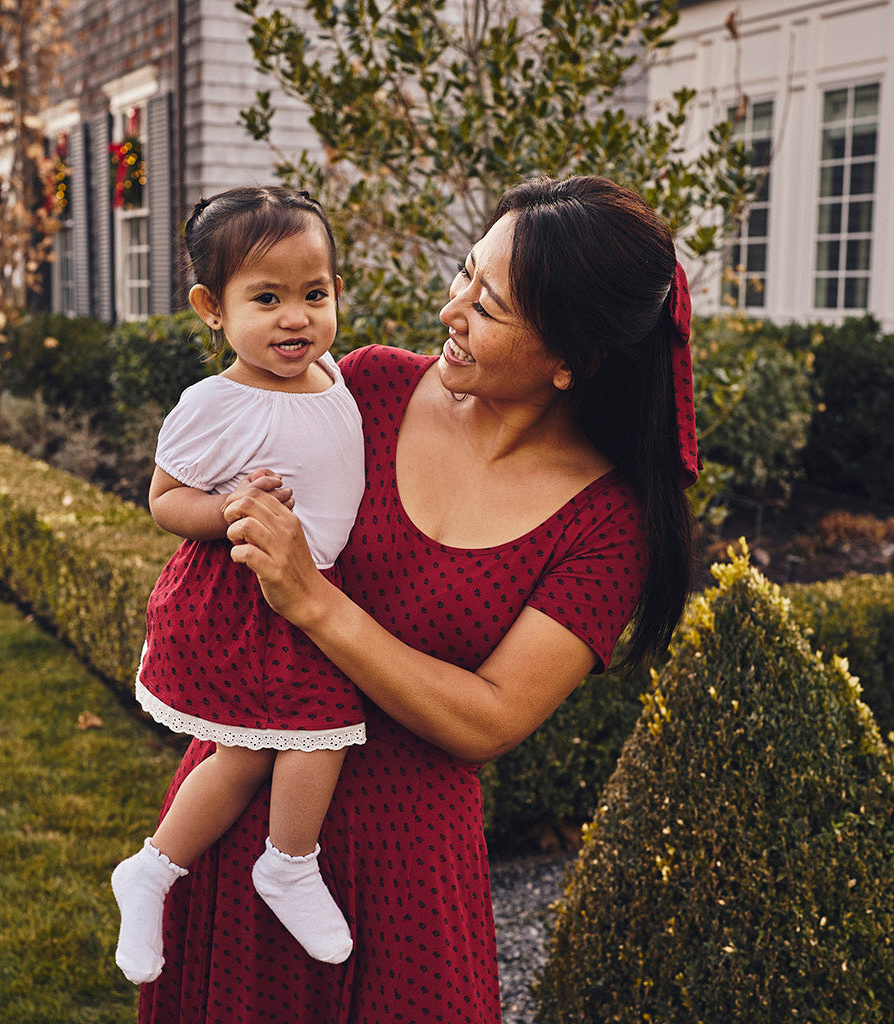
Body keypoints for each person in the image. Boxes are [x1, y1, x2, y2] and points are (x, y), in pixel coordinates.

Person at [137, 175, 701, 1024]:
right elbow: (199, 507)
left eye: (491, 303)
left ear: (571, 359)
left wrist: (314, 603)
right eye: (464, 273)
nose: (452, 310)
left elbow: (489, 719)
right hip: (244, 809)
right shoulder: (361, 390)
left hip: (406, 871)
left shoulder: (607, 526)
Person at [111, 186, 367, 985]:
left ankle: (158, 869)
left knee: (260, 748)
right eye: (267, 298)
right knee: (300, 732)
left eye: (313, 294)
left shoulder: (332, 374)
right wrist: (231, 509)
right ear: (211, 308)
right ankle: (275, 863)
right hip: (248, 600)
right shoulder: (216, 403)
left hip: (310, 592)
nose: (296, 317)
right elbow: (162, 499)